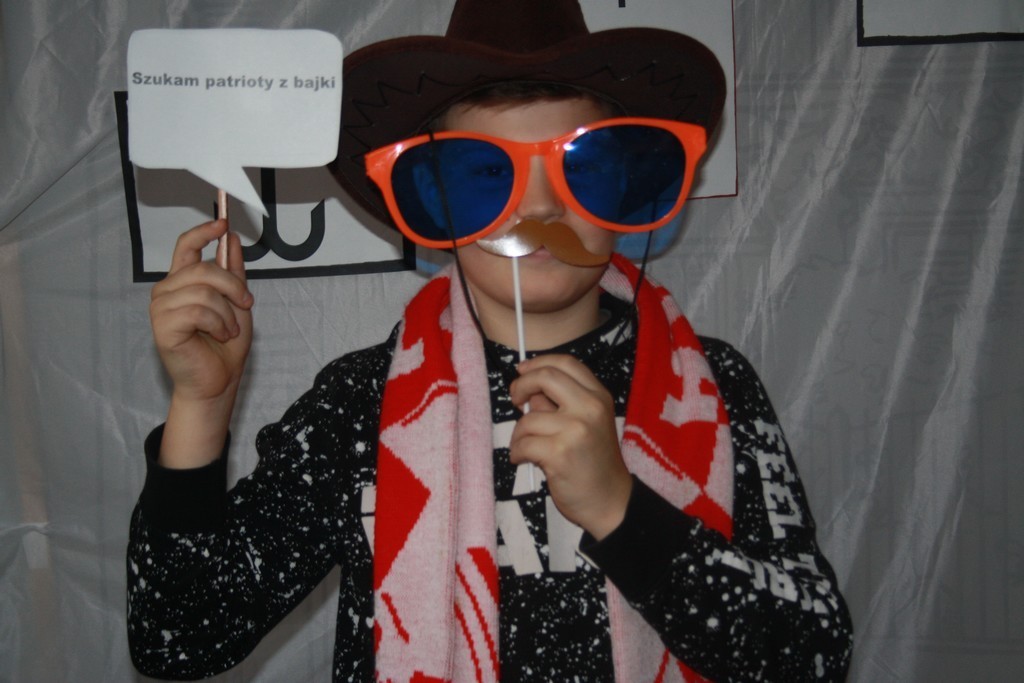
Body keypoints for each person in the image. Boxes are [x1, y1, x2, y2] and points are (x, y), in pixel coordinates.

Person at [127, 1, 853, 681]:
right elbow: (177, 634)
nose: (539, 206)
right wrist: (201, 405)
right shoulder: (361, 404)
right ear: (431, 198)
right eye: (483, 174)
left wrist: (621, 511)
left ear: (626, 183)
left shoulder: (714, 386)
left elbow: (814, 653)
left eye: (581, 166)